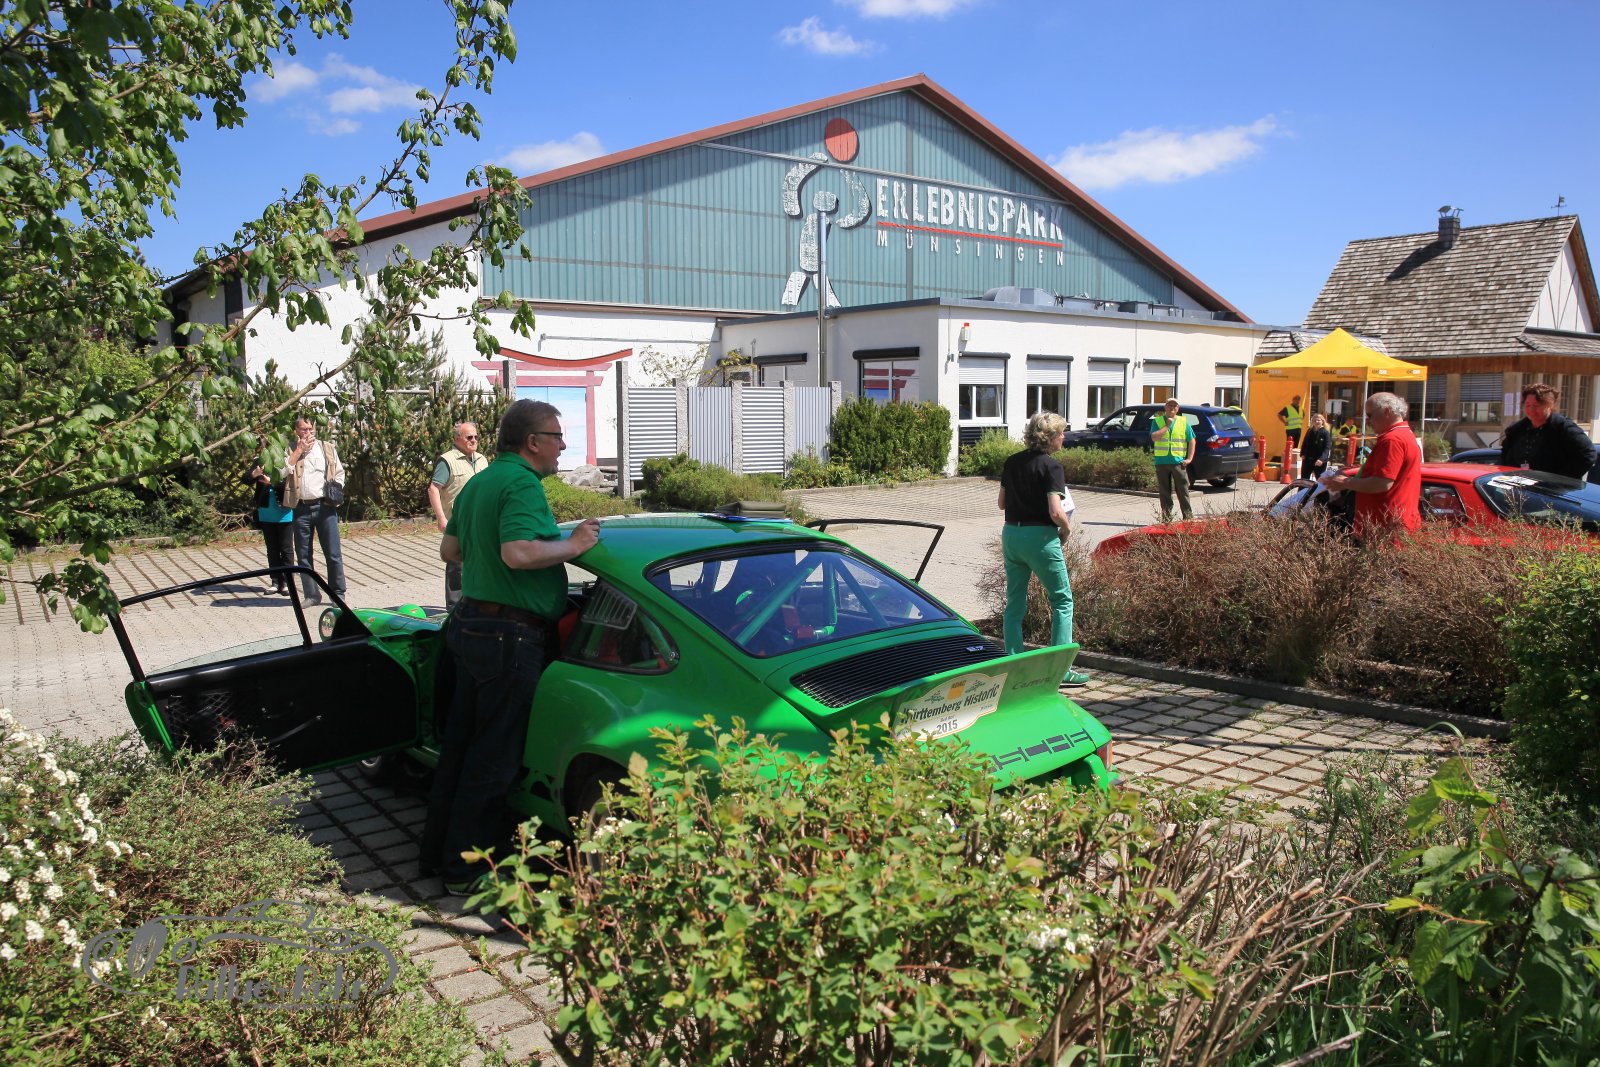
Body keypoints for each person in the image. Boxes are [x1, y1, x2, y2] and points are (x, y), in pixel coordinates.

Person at [422, 400, 601, 895]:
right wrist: (575, 545)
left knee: (461, 748)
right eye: (557, 436)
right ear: (533, 442)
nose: (563, 444)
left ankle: (439, 856)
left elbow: (450, 550)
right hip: (509, 637)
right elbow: (518, 552)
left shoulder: (481, 482)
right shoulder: (522, 484)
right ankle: (465, 872)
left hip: (471, 625)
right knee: (494, 757)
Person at [998, 411, 1089, 688]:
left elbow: (1001, 503)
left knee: (1014, 603)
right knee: (1062, 600)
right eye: (1061, 433)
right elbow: (1055, 511)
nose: (1064, 437)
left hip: (1012, 535)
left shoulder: (1012, 461)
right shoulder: (1052, 467)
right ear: (1049, 437)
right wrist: (1066, 529)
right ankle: (1060, 671)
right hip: (1040, 538)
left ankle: (1013, 664)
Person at [1323, 392, 1422, 542]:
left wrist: (1345, 482)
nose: (1368, 421)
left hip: (1383, 528)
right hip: (1392, 525)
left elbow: (1382, 483)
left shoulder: (1392, 440)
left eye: (1370, 415)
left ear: (1387, 411)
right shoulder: (1404, 434)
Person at [283, 415, 347, 604]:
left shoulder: (326, 448)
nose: (308, 433)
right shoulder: (290, 449)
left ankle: (338, 593)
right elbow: (282, 472)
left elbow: (339, 472)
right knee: (303, 556)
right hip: (301, 508)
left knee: (333, 554)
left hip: (325, 507)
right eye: (304, 429)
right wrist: (299, 451)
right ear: (296, 431)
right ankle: (311, 595)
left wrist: (336, 488)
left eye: (311, 429)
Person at [427, 421, 488, 608]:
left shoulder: (482, 459)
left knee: (481, 563)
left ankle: (476, 603)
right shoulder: (447, 460)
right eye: (469, 437)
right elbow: (433, 489)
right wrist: (441, 518)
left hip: (480, 521)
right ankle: (453, 608)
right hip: (458, 522)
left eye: (476, 436)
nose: (474, 440)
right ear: (457, 439)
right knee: (457, 565)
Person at [1500, 382, 1596, 480]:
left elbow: (1588, 454)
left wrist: (1560, 480)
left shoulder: (1564, 428)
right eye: (1528, 405)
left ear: (1550, 404)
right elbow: (1504, 456)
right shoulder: (1516, 429)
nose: (1531, 410)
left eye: (1536, 405)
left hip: (1554, 487)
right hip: (1520, 485)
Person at [242, 441, 294, 595]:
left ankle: (287, 582)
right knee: (272, 549)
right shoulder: (259, 461)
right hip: (266, 512)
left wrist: (271, 483)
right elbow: (245, 479)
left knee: (286, 549)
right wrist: (255, 473)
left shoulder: (286, 461)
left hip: (284, 512)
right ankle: (275, 581)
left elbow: (291, 485)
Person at [1149, 399, 1194, 522]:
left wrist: (1189, 458)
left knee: (1183, 491)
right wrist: (1167, 425)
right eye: (1170, 405)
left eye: (1175, 406)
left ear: (1178, 408)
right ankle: (1166, 519)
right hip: (1161, 462)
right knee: (1164, 493)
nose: (1172, 408)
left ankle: (1188, 518)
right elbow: (1154, 437)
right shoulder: (1157, 421)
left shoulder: (1184, 422)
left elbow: (1192, 440)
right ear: (1165, 407)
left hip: (1178, 462)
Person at [1300, 412, 1333, 480]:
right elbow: (1304, 443)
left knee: (1320, 480)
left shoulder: (1325, 432)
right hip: (1308, 459)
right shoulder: (1309, 431)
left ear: (1322, 421)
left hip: (1319, 460)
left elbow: (1327, 448)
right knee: (1304, 479)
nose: (1316, 422)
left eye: (1318, 420)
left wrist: (1322, 459)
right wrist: (1302, 453)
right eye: (1314, 420)